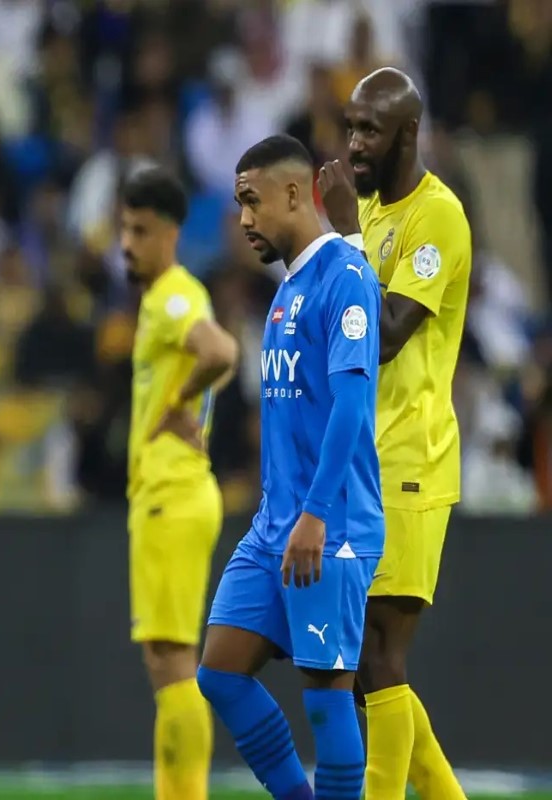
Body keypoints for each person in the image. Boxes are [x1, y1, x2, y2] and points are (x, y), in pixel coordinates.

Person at [197, 134, 383, 800]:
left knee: (329, 702)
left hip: (326, 527)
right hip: (275, 526)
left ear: (294, 193)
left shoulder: (345, 277)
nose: (243, 219)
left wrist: (314, 513)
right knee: (219, 674)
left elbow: (352, 407)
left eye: (252, 201)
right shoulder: (286, 291)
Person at [318, 66, 470, 800]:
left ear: (409, 134)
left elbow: (384, 335)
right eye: (350, 127)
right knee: (360, 662)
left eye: (370, 130)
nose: (354, 144)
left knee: (377, 652)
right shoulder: (374, 217)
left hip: (411, 459)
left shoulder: (434, 218)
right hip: (363, 461)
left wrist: (345, 229)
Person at [119, 163, 237, 800]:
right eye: (123, 229)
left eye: (138, 230)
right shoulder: (168, 296)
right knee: (169, 661)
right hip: (173, 495)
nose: (126, 244)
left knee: (172, 664)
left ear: (168, 233)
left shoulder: (171, 295)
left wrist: (178, 405)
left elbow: (221, 351)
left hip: (172, 493)